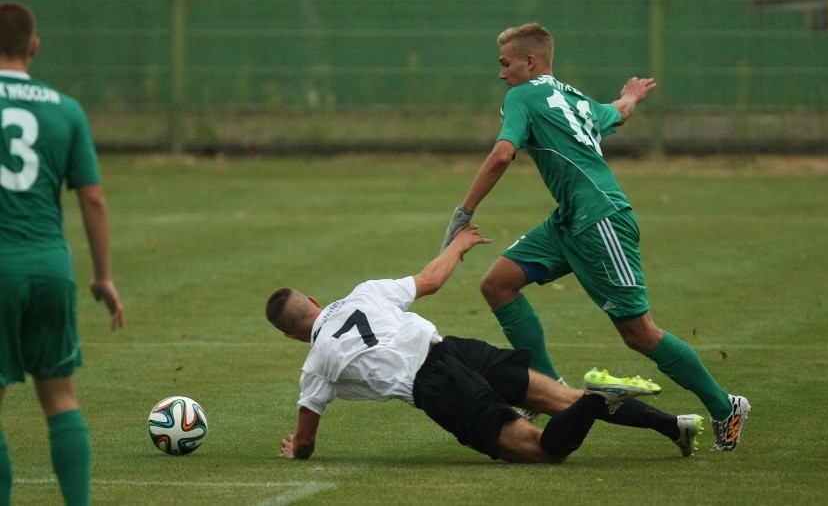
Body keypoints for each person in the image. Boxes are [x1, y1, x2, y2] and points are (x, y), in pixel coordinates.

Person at [439, 23, 749, 452]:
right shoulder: (571, 96)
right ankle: (547, 390)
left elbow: (503, 153)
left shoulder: (522, 96)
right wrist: (633, 97)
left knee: (639, 333)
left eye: (505, 63)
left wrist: (464, 212)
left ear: (530, 62)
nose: (501, 74)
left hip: (601, 220)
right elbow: (614, 112)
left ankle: (724, 406)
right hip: (570, 220)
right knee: (498, 284)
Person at [266, 225, 704, 463]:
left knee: (542, 448)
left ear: (290, 335)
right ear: (315, 301)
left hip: (437, 385)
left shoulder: (317, 364)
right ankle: (674, 425)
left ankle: (594, 398)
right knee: (561, 399)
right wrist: (458, 244)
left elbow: (305, 443)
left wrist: (294, 451)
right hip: (458, 349)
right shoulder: (365, 292)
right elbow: (432, 279)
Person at [0, 2, 124, 505]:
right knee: (60, 398)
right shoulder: (65, 109)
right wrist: (103, 277)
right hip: (50, 265)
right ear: (34, 46)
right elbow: (91, 197)